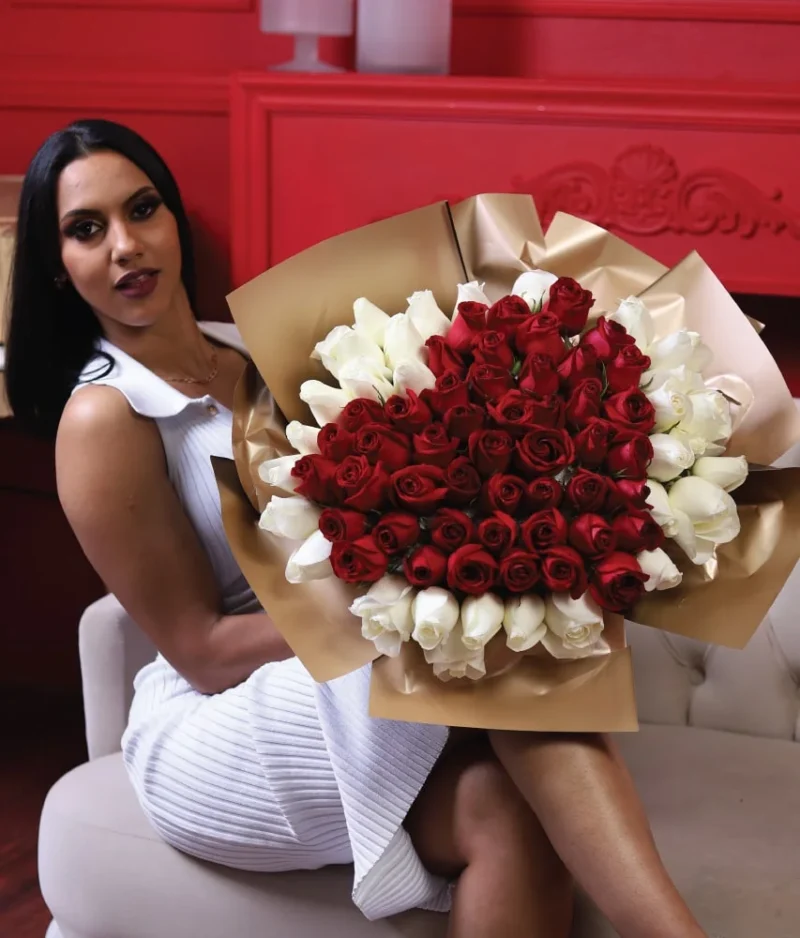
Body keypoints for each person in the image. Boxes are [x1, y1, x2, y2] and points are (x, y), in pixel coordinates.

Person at [6, 119, 708, 938]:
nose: (125, 245)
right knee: (490, 640)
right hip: (213, 723)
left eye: (143, 209)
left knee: (507, 816)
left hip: (331, 667)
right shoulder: (102, 415)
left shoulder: (255, 358)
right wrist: (394, 606)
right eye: (87, 230)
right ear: (59, 270)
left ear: (173, 222)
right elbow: (197, 649)